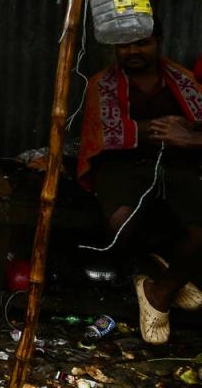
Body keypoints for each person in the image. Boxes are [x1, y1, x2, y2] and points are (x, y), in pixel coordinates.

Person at [78, 21, 202, 344]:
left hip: (177, 165)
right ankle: (165, 274)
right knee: (121, 223)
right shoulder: (101, 84)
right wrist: (158, 130)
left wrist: (189, 137)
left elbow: (197, 128)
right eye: (125, 45)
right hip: (122, 167)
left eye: (142, 43)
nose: (133, 51)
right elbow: (100, 134)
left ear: (158, 42)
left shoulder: (184, 81)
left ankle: (159, 291)